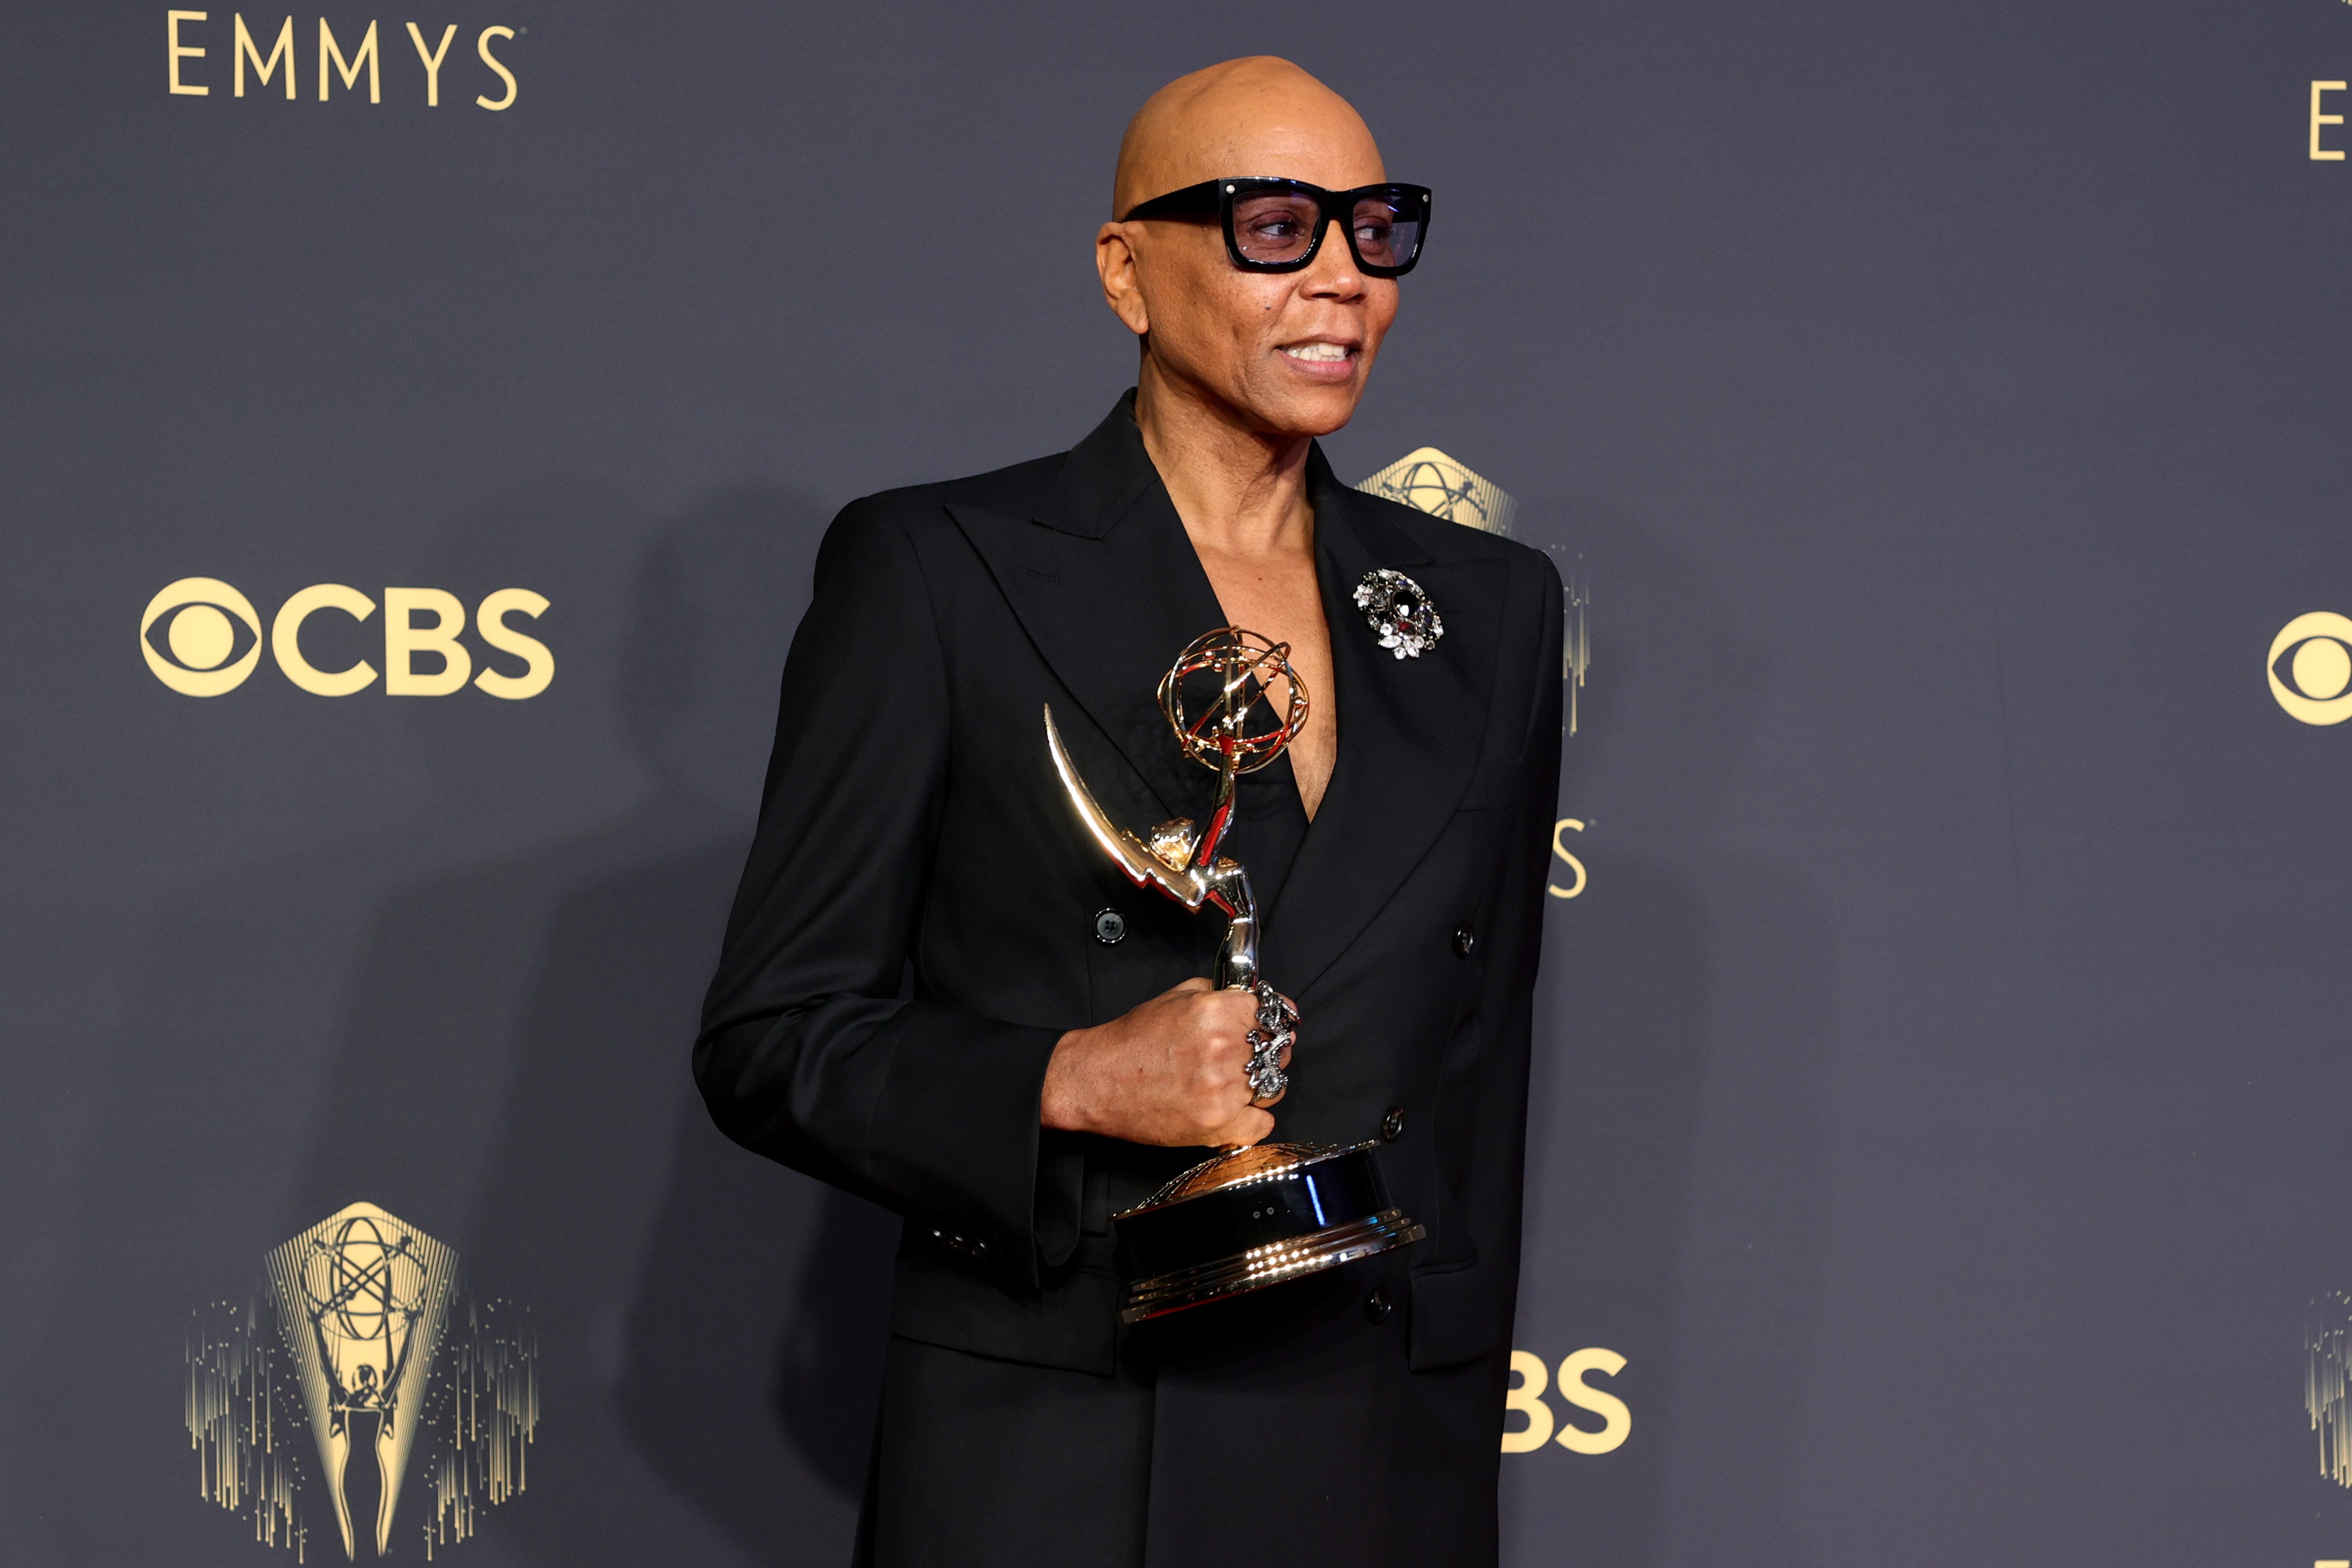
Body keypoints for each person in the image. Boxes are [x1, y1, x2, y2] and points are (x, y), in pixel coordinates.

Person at [697, 55, 1562, 1567]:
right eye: (1277, 228)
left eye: (1378, 231)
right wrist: (1067, 1078)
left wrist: (1445, 1427)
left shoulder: (1487, 606)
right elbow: (774, 1041)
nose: (1344, 281)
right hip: (1063, 1448)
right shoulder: (939, 570)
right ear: (1126, 271)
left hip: (1371, 1447)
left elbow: (1477, 1099)